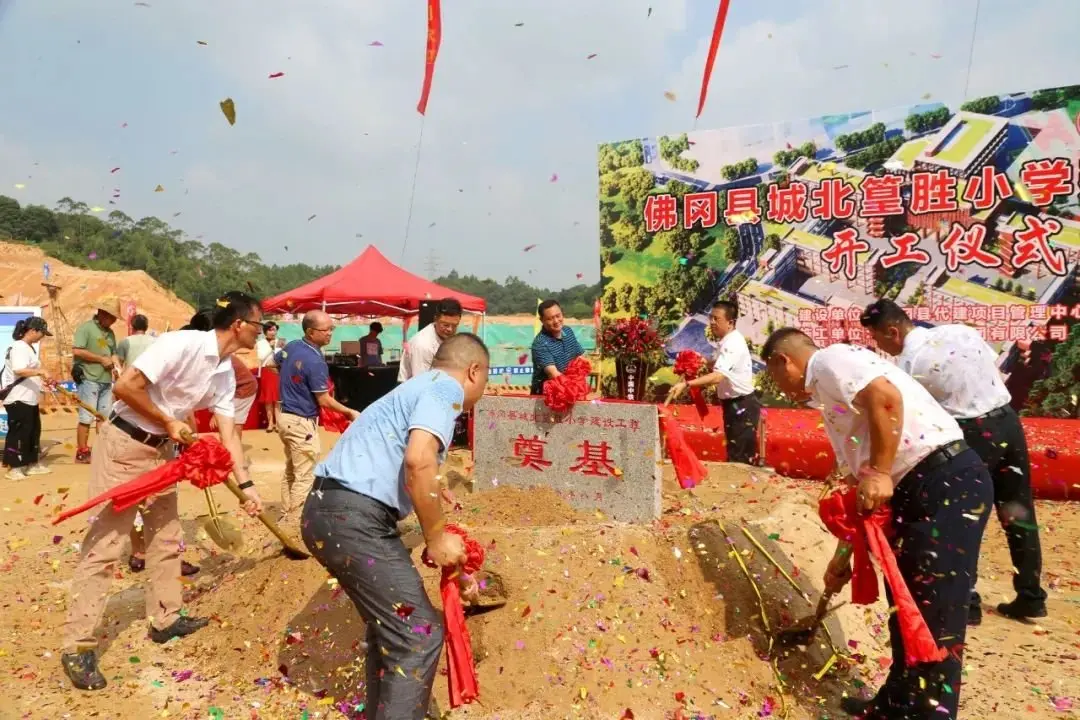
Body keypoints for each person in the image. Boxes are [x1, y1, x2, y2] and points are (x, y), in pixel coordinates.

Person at [761, 328, 991, 718]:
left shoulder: (830, 361)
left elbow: (885, 398)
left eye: (775, 377)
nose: (780, 390)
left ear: (784, 361)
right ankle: (895, 706)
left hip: (941, 481)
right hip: (915, 489)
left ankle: (928, 713)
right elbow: (859, 488)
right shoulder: (832, 398)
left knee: (934, 619)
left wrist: (882, 472)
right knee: (905, 608)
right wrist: (843, 556)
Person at [60, 293, 266, 692]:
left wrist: (247, 487)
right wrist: (168, 420)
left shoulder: (224, 371)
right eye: (260, 324)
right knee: (107, 544)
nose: (263, 332)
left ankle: (166, 618)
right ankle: (77, 645)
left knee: (166, 538)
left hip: (163, 452)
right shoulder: (181, 344)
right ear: (239, 324)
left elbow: (230, 436)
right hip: (125, 446)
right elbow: (124, 386)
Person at [302, 333, 490, 720]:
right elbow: (418, 459)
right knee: (416, 636)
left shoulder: (419, 386)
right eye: (484, 382)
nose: (481, 394)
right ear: (473, 371)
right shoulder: (446, 390)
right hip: (351, 516)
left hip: (330, 511)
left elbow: (416, 467)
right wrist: (437, 535)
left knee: (392, 634)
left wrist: (434, 495)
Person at [859, 299, 1047, 623]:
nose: (880, 347)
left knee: (965, 518)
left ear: (892, 330)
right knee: (1018, 510)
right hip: (1007, 423)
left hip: (973, 433)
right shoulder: (960, 332)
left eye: (878, 339)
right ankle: (1031, 595)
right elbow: (989, 366)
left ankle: (967, 603)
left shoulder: (907, 364)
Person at [273, 310, 359, 523]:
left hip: (285, 417)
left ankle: (287, 512)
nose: (330, 333)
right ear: (311, 332)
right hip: (301, 420)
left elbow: (274, 363)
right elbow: (324, 400)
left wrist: (292, 383)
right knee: (306, 473)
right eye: (326, 330)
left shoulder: (292, 346)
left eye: (332, 328)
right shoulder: (315, 360)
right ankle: (295, 522)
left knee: (292, 469)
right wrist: (349, 411)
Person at [666, 300, 760, 464]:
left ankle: (743, 488)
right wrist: (697, 363)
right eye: (711, 318)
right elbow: (716, 363)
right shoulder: (726, 341)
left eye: (717, 319)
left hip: (742, 406)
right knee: (734, 453)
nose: (712, 322)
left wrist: (687, 384)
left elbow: (718, 376)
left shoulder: (732, 344)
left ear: (730, 322)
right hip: (734, 404)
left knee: (741, 459)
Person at [2, 317, 53, 480]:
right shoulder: (19, 347)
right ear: (32, 331)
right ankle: (14, 467)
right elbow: (19, 369)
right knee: (19, 433)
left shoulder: (28, 348)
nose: (42, 337)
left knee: (32, 431)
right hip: (18, 398)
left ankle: (31, 463)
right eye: (41, 333)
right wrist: (41, 372)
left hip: (29, 398)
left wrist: (42, 383)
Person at [72, 300, 121, 463]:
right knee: (86, 417)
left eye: (114, 318)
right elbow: (77, 350)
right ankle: (82, 451)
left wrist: (117, 368)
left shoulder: (110, 333)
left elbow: (112, 353)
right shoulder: (86, 329)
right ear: (102, 314)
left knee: (103, 417)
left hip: (106, 380)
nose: (113, 321)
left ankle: (101, 450)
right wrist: (100, 359)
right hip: (89, 379)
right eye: (111, 317)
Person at [398, 298, 463, 382]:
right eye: (445, 325)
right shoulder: (423, 344)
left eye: (454, 326)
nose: (450, 329)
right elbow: (421, 383)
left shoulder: (448, 339)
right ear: (435, 319)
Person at [529, 299, 585, 395]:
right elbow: (553, 375)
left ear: (562, 314)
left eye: (558, 316)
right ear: (542, 320)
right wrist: (575, 387)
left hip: (570, 390)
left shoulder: (568, 331)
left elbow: (578, 359)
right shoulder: (540, 343)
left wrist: (580, 380)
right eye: (550, 319)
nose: (556, 321)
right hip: (546, 396)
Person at [255, 321, 284, 432]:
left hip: (277, 371)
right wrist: (270, 348)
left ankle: (278, 423)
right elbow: (261, 357)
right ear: (265, 331)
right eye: (270, 330)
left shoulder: (281, 342)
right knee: (268, 399)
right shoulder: (260, 343)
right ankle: (270, 423)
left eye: (274, 330)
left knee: (277, 399)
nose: (273, 332)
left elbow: (283, 356)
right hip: (266, 371)